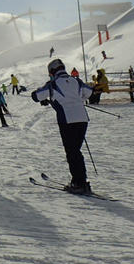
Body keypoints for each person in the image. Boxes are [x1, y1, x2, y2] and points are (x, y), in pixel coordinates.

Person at [31, 59, 93, 194]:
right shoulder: (76, 80)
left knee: (71, 152)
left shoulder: (52, 84)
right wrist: (76, 99)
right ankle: (81, 181)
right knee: (76, 151)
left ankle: (78, 183)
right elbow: (89, 92)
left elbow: (36, 96)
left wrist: (48, 99)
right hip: (82, 119)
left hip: (67, 120)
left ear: (52, 71)